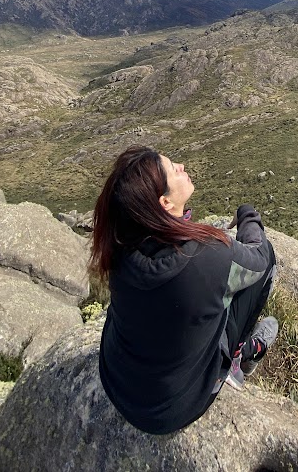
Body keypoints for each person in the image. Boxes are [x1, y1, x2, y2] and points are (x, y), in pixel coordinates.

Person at [89, 145, 278, 435]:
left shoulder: (120, 248)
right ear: (164, 203)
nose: (180, 165)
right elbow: (260, 258)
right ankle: (240, 357)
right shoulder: (207, 257)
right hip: (170, 410)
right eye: (171, 168)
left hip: (119, 385)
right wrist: (248, 216)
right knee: (265, 268)